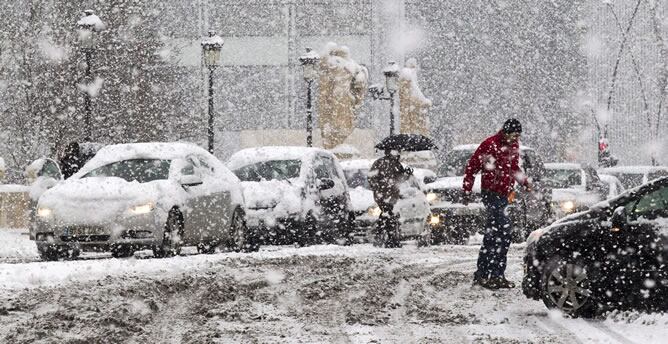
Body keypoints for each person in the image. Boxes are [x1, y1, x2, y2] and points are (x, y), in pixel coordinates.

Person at [462, 118, 531, 289]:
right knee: (501, 232)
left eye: (517, 136)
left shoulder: (513, 146)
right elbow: (472, 167)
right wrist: (467, 190)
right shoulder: (489, 145)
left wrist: (525, 182)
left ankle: (491, 274)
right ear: (505, 132)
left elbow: (514, 168)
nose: (515, 139)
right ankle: (489, 274)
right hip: (491, 194)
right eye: (513, 135)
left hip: (504, 195)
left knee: (496, 236)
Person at [368, 149, 413, 248]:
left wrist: (407, 174)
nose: (397, 154)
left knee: (388, 214)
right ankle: (390, 238)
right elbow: (371, 178)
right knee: (388, 214)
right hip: (382, 195)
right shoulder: (380, 163)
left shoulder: (397, 165)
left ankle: (383, 237)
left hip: (392, 195)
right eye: (396, 152)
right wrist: (379, 187)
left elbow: (400, 180)